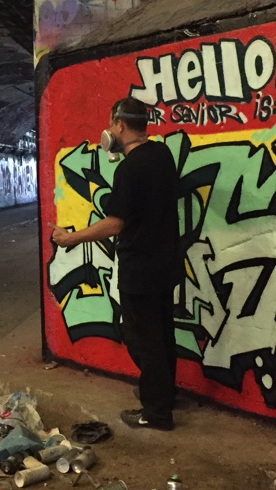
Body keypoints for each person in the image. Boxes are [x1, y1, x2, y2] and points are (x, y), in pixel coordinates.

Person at [50, 97, 181, 431]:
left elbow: (114, 223)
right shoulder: (163, 155)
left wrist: (71, 238)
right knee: (163, 334)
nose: (108, 130)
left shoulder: (130, 168)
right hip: (166, 264)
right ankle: (164, 395)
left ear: (120, 125)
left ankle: (156, 412)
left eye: (111, 124)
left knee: (141, 339)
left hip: (140, 268)